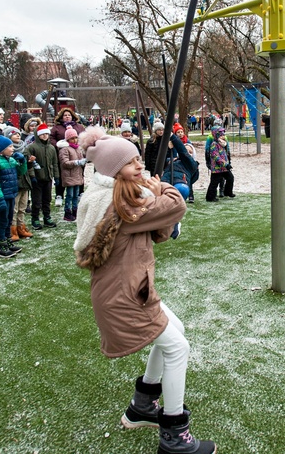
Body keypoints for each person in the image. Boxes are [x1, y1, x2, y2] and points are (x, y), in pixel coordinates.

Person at [72, 131, 216, 454]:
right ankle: (175, 436)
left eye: (139, 158)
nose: (139, 165)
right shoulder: (121, 206)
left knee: (175, 331)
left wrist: (152, 195)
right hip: (123, 297)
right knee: (178, 348)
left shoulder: (115, 196)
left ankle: (142, 406)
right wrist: (162, 188)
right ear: (114, 170)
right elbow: (176, 206)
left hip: (133, 289)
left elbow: (159, 231)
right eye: (131, 162)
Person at [0, 135, 27, 258]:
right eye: (10, 146)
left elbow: (21, 172)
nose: (13, 148)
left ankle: (8, 241)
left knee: (8, 220)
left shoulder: (9, 160)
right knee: (1, 221)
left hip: (11, 194)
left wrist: (22, 162)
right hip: (1, 197)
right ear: (1, 149)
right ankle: (0, 247)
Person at [25, 123, 59, 230]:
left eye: (46, 134)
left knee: (47, 199)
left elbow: (55, 163)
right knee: (36, 200)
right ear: (38, 135)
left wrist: (56, 176)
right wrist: (32, 176)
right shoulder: (32, 147)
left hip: (48, 177)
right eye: (42, 134)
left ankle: (47, 217)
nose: (45, 136)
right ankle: (35, 218)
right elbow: (29, 162)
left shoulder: (51, 148)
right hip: (37, 178)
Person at [3, 126, 35, 241]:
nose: (17, 135)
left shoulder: (24, 148)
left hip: (25, 182)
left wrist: (30, 163)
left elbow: (26, 168)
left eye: (18, 133)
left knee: (23, 207)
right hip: (14, 183)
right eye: (14, 134)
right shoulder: (7, 151)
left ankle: (21, 227)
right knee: (14, 209)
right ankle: (12, 230)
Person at [50, 108, 85, 208]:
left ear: (72, 116)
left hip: (77, 153)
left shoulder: (79, 127)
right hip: (63, 154)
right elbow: (51, 138)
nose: (67, 116)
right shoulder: (57, 127)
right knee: (63, 175)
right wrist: (58, 145)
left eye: (69, 115)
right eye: (65, 115)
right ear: (61, 117)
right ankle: (59, 195)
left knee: (79, 173)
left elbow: (84, 137)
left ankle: (80, 193)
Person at [57, 127, 87, 222]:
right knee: (69, 195)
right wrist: (77, 162)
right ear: (68, 139)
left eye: (76, 138)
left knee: (76, 195)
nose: (75, 140)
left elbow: (81, 158)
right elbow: (64, 163)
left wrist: (84, 160)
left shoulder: (78, 148)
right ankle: (67, 212)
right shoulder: (64, 149)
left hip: (77, 175)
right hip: (69, 176)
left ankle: (75, 210)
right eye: (72, 138)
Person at [205, 125, 234, 201]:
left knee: (230, 178)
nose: (223, 136)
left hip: (224, 167)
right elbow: (216, 156)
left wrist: (227, 162)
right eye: (221, 135)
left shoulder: (223, 144)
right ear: (217, 136)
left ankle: (228, 192)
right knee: (214, 183)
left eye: (223, 135)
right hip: (217, 168)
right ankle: (210, 197)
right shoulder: (214, 144)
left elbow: (225, 154)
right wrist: (225, 164)